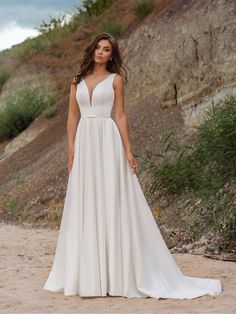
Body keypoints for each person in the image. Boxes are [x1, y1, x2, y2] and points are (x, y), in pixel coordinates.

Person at [43, 32, 222, 299]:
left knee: (112, 201)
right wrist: (71, 149)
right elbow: (71, 116)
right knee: (87, 201)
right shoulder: (76, 81)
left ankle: (117, 275)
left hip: (108, 141)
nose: (101, 52)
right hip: (85, 143)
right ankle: (89, 274)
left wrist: (128, 151)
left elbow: (120, 115)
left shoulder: (115, 80)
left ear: (112, 55)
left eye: (106, 49)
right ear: (92, 50)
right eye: (98, 48)